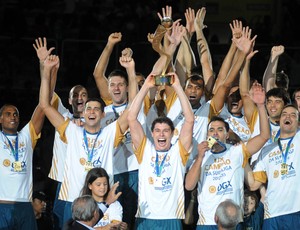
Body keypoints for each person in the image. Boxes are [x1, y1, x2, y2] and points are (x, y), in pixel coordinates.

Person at [39, 54, 129, 224]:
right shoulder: (72, 130)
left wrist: (130, 71)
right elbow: (45, 105)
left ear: (103, 115)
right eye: (88, 109)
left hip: (100, 200)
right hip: (72, 198)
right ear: (84, 113)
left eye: (96, 109)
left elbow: (132, 110)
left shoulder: (110, 132)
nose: (92, 111)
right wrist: (46, 72)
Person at [185, 82, 270, 229]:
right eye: (211, 130)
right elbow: (189, 185)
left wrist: (261, 106)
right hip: (207, 223)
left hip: (233, 222)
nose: (215, 133)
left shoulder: (236, 151)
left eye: (219, 130)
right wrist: (199, 157)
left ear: (226, 134)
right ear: (207, 134)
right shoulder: (201, 156)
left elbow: (264, 136)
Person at [33, 37, 90, 229]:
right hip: (60, 181)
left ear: (88, 99)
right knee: (60, 223)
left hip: (84, 182)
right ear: (69, 98)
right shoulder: (63, 114)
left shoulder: (96, 120)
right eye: (75, 94)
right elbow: (46, 96)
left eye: (83, 95)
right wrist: (45, 66)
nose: (79, 98)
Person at [128, 72, 194, 229]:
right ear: (152, 134)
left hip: (171, 218)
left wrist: (177, 86)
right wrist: (146, 86)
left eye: (166, 130)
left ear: (172, 133)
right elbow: (131, 118)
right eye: (157, 130)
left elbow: (190, 120)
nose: (162, 134)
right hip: (145, 218)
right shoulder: (145, 150)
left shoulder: (179, 151)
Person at [93, 33, 140, 229]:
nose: (117, 88)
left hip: (135, 170)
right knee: (114, 220)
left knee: (132, 219)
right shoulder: (104, 110)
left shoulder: (136, 104)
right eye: (112, 85)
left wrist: (130, 68)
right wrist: (109, 44)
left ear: (127, 87)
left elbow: (135, 98)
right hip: (112, 172)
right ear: (109, 89)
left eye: (121, 84)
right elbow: (97, 74)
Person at [245, 104, 300, 229]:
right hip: (272, 214)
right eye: (284, 114)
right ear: (279, 120)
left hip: (296, 211)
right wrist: (242, 159)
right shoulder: (267, 150)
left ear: (298, 121)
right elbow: (253, 184)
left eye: (293, 115)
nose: (288, 117)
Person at [0, 98, 45, 228]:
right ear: (0, 119)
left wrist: (47, 79)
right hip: (2, 203)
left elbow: (42, 108)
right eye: (8, 114)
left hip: (25, 204)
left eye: (15, 114)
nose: (13, 117)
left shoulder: (27, 137)